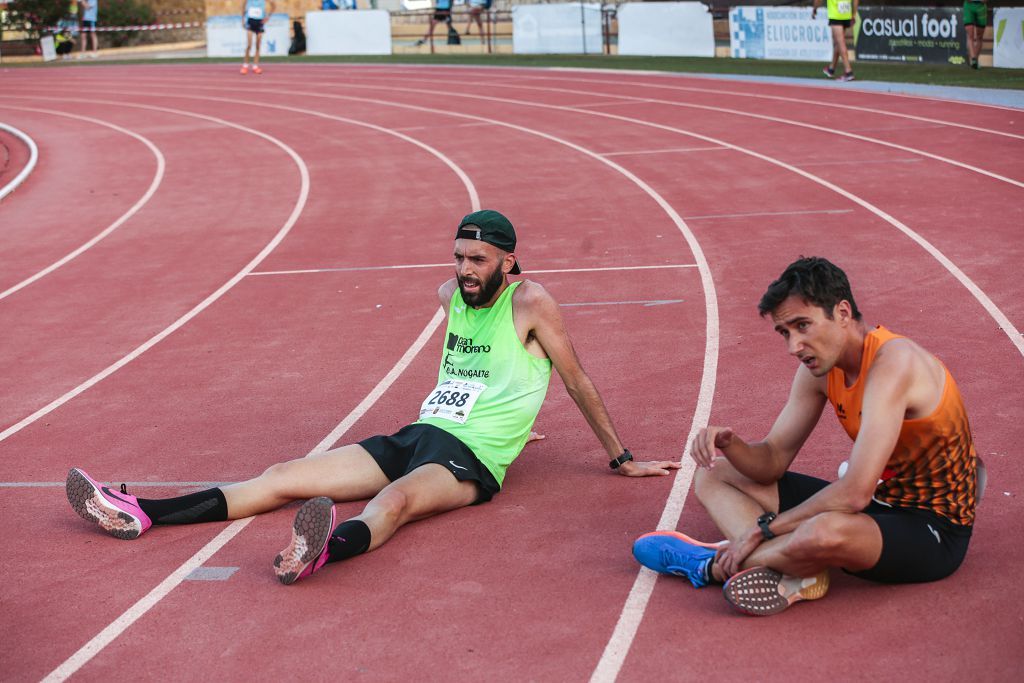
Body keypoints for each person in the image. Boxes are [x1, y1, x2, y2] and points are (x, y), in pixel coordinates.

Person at [67, 209, 680, 585]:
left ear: (508, 261)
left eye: (479, 260)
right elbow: (477, 371)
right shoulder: (448, 295)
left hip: (470, 459)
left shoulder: (531, 302)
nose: (465, 269)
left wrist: (620, 457)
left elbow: (574, 378)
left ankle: (320, 550)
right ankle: (143, 510)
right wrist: (518, 415)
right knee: (283, 475)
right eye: (460, 256)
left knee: (396, 501)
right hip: (419, 434)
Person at [633, 257, 980, 616]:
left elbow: (855, 493)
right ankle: (797, 569)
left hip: (932, 529)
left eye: (803, 326)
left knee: (824, 531)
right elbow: (772, 460)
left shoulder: (895, 363)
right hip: (881, 503)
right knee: (714, 473)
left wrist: (761, 531)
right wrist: (730, 445)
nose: (794, 346)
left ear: (842, 313)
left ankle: (715, 562)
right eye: (785, 332)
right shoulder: (820, 370)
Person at [813, 0, 857, 82]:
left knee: (840, 42)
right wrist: (853, 13)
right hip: (846, 13)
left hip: (836, 14)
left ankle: (848, 72)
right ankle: (831, 69)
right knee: (838, 41)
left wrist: (815, 9)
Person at [240, 0, 276, 75]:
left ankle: (255, 66)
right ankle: (245, 66)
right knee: (249, 45)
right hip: (250, 21)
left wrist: (268, 17)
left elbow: (273, 4)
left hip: (259, 22)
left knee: (258, 45)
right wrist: (243, 19)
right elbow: (243, 4)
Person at [964, 0, 988, 70]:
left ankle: (975, 61)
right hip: (969, 7)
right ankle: (973, 59)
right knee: (970, 35)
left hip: (981, 8)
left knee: (979, 36)